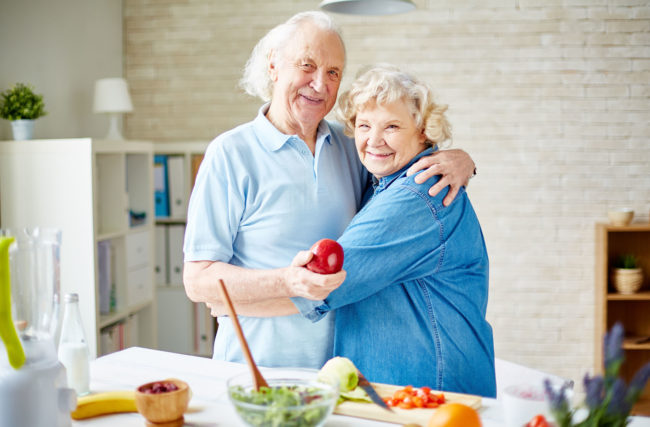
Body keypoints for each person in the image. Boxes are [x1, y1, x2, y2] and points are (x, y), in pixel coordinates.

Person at [183, 11, 477, 370]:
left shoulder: (350, 144)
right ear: (274, 65)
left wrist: (460, 160)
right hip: (255, 370)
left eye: (333, 72)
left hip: (338, 374)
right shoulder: (230, 154)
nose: (320, 84)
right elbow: (198, 281)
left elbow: (401, 176)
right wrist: (285, 281)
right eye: (307, 65)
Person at [289, 64, 496, 397]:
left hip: (432, 398)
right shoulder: (382, 183)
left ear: (423, 132)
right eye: (364, 125)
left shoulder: (418, 195)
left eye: (392, 126)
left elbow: (323, 285)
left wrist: (235, 298)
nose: (374, 140)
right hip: (413, 395)